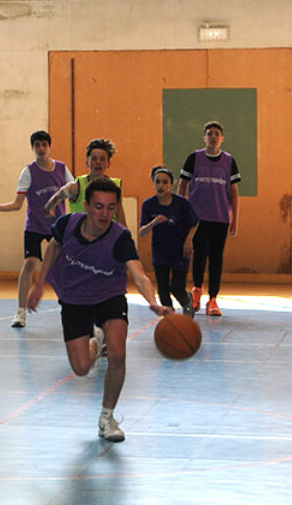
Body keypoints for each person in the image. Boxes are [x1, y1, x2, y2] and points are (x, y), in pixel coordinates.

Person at [28, 177, 169, 442]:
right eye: (99, 207)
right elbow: (54, 248)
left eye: (110, 207)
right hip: (74, 298)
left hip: (109, 296)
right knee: (81, 369)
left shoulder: (120, 237)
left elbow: (139, 275)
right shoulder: (67, 224)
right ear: (86, 205)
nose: (105, 214)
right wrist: (39, 283)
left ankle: (107, 417)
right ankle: (96, 338)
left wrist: (153, 301)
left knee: (117, 354)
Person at [0, 130, 73, 328]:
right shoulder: (29, 172)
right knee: (30, 263)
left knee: (62, 267)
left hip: (57, 226)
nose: (40, 148)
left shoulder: (62, 169)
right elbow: (17, 204)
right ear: (32, 148)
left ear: (49, 147)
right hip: (35, 225)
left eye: (43, 145)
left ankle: (70, 306)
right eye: (36, 145)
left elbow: (74, 193)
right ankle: (20, 312)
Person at [177, 121, 240, 317]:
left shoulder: (229, 161)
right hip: (197, 218)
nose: (213, 136)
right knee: (199, 255)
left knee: (216, 258)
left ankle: (213, 299)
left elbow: (234, 192)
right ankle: (196, 291)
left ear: (222, 138)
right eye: (209, 133)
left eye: (217, 133)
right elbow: (182, 185)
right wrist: (181, 212)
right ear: (204, 138)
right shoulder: (194, 158)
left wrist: (235, 219)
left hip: (220, 218)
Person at [138, 166, 199, 317]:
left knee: (177, 288)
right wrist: (153, 223)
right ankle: (170, 320)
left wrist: (189, 240)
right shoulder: (149, 205)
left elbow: (195, 222)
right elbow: (142, 232)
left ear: (171, 185)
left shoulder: (181, 203)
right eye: (157, 182)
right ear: (153, 183)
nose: (161, 185)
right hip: (161, 251)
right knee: (163, 291)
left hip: (180, 251)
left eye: (165, 182)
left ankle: (187, 302)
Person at [43, 138, 125, 225]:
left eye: (102, 159)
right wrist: (48, 208)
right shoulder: (75, 187)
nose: (98, 162)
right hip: (80, 236)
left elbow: (121, 218)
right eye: (94, 159)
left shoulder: (115, 187)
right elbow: (58, 196)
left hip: (107, 236)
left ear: (108, 164)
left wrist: (125, 237)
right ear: (87, 162)